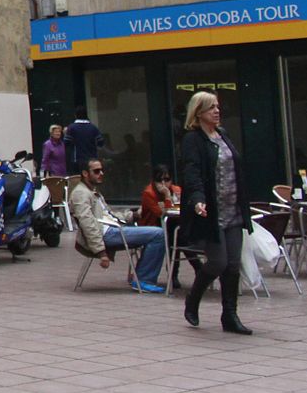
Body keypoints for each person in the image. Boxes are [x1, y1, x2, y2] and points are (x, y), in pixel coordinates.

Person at [179, 91, 254, 334]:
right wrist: (198, 199)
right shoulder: (193, 139)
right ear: (198, 112)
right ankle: (193, 299)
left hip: (233, 208)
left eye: (218, 107)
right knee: (219, 261)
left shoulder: (223, 135)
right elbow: (193, 172)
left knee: (233, 265)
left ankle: (230, 315)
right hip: (211, 211)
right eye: (211, 107)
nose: (217, 111)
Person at [69, 157, 167, 292]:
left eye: (102, 170)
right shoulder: (81, 193)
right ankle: (143, 279)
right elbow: (88, 224)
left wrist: (133, 215)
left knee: (156, 232)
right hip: (107, 234)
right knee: (158, 234)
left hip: (114, 229)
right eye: (97, 171)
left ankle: (141, 277)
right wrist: (101, 252)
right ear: (85, 173)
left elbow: (109, 215)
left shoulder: (92, 191)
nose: (101, 174)